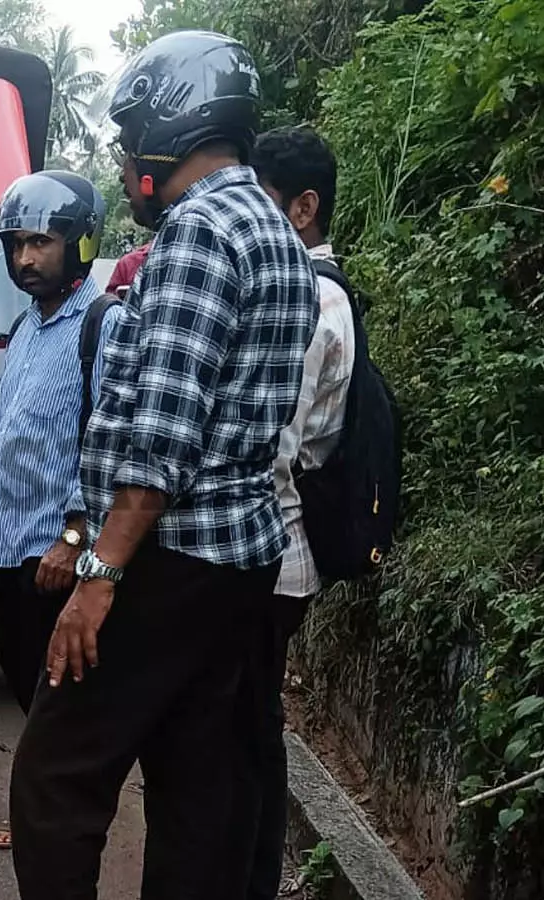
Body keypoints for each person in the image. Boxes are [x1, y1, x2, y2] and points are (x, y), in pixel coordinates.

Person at [7, 30, 320, 900]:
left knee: (57, 775)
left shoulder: (199, 232)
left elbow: (165, 432)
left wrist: (99, 575)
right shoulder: (274, 231)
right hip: (239, 559)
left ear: (166, 127)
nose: (120, 154)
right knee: (194, 783)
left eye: (125, 133)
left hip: (167, 555)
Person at [0, 170, 123, 853]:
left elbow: (106, 442)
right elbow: (3, 430)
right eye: (16, 245)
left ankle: (50, 822)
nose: (25, 259)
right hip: (6, 545)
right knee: (27, 687)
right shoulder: (29, 326)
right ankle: (54, 808)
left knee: (58, 700)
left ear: (79, 242)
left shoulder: (104, 324)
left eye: (40, 243)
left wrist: (74, 537)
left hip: (55, 556)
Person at [248, 124, 355, 900]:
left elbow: (279, 440)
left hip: (272, 550)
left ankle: (247, 877)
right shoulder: (314, 290)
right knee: (247, 724)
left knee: (245, 730)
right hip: (281, 547)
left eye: (263, 202)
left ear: (304, 208)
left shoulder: (313, 299)